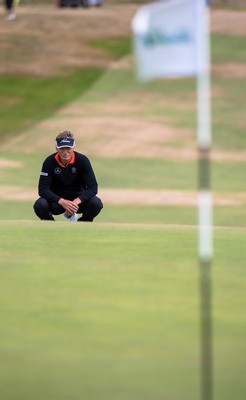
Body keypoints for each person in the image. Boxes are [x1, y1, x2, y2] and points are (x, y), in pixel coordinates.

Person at [33, 130, 103, 222]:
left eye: (68, 148)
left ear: (73, 147)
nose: (65, 152)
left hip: (78, 201)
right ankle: (51, 226)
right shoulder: (49, 161)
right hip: (57, 201)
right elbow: (43, 189)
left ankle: (82, 224)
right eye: (62, 149)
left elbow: (93, 187)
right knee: (40, 205)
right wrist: (62, 202)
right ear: (56, 148)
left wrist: (75, 202)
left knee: (96, 203)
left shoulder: (82, 160)